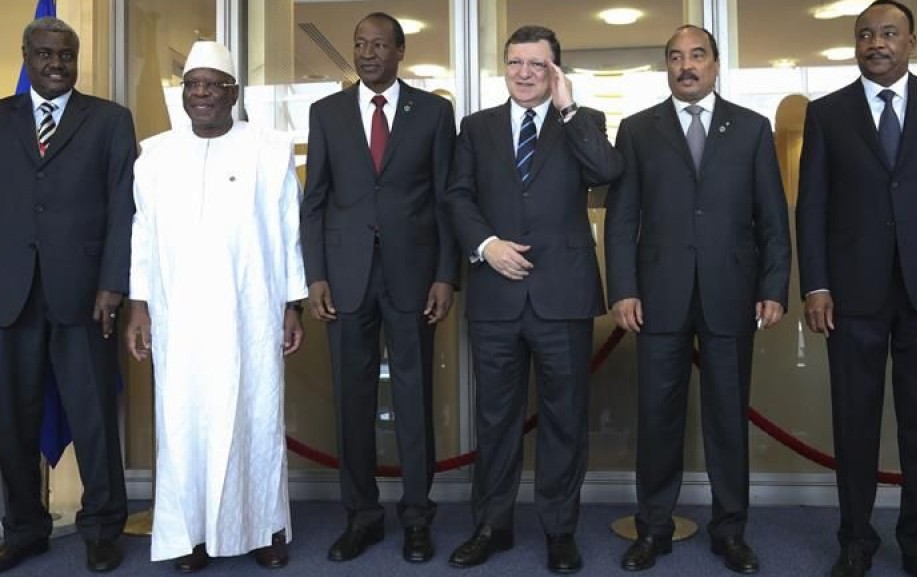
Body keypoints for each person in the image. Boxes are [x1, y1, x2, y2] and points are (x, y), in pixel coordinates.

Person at [605, 24, 791, 574]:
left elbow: (773, 220)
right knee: (657, 419)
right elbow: (622, 220)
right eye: (676, 57)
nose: (686, 65)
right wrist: (623, 287)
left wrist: (773, 287)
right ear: (667, 66)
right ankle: (653, 529)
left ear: (715, 64)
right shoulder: (638, 130)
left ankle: (729, 531)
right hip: (657, 296)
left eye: (697, 56)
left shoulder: (753, 129)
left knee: (727, 420)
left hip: (731, 294)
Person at [444, 25, 622, 575]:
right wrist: (486, 244)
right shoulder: (476, 128)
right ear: (505, 66)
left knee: (564, 420)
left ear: (556, 72)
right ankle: (491, 526)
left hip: (562, 297)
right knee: (495, 420)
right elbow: (457, 195)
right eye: (516, 62)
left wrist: (569, 111)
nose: (524, 72)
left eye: (537, 65)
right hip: (496, 295)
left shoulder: (583, 123)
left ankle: (559, 530)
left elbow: (609, 173)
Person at [125, 41, 307, 572]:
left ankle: (264, 528)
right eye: (192, 85)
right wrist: (139, 306)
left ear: (234, 92)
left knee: (256, 417)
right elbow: (142, 235)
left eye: (212, 85)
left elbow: (288, 232)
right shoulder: (155, 154)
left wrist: (291, 304)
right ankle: (191, 534)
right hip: (178, 315)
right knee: (183, 423)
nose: (201, 93)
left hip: (250, 311)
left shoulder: (270, 148)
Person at [796, 2, 917, 576]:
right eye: (865, 35)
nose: (876, 43)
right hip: (851, 293)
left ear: (911, 42)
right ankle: (855, 541)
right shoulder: (827, 113)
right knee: (855, 420)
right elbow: (810, 207)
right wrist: (815, 285)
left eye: (888, 33)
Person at [301, 12, 458, 564]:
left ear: (399, 51)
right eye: (360, 45)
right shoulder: (325, 113)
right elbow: (314, 201)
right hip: (344, 281)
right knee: (353, 401)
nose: (368, 54)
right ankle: (361, 516)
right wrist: (314, 275)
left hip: (414, 279)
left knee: (414, 401)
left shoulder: (435, 113)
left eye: (378, 45)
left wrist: (445, 274)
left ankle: (417, 518)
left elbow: (446, 200)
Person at [0, 16, 134, 574]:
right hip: (10, 293)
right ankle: (26, 528)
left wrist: (113, 283)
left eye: (67, 55)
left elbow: (123, 208)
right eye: (46, 54)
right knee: (12, 421)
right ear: (26, 56)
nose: (57, 64)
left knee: (94, 416)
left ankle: (103, 528)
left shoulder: (108, 120)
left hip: (84, 295)